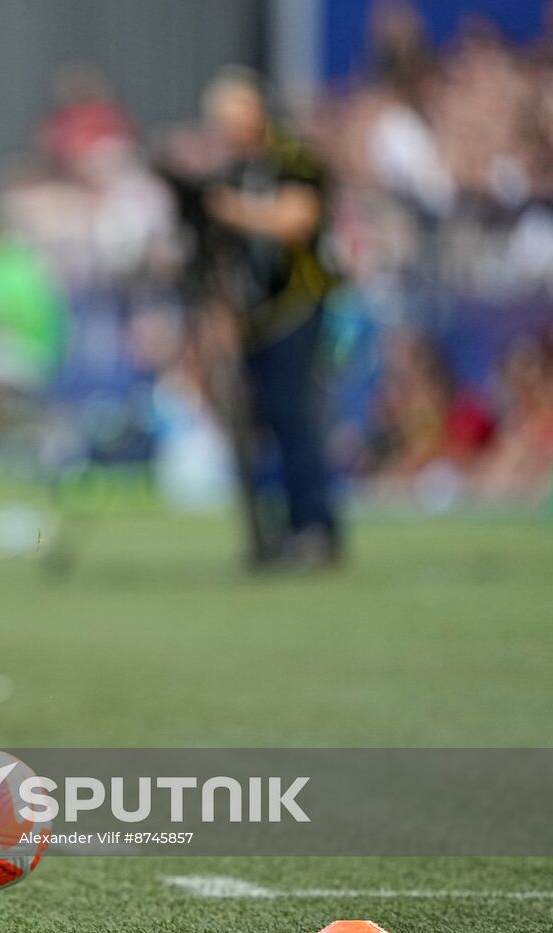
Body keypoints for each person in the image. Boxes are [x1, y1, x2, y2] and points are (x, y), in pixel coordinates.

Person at [199, 69, 343, 568]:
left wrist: (230, 210)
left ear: (258, 113)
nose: (226, 131)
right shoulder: (238, 170)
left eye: (232, 119)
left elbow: (296, 221)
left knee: (297, 417)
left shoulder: (293, 160)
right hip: (255, 317)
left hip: (297, 305)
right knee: (268, 427)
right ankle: (282, 530)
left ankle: (317, 528)